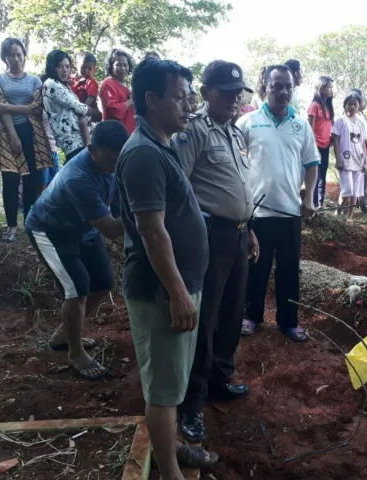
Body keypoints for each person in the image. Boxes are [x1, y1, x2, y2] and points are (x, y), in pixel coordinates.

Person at [116, 59, 219, 478]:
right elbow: (152, 234)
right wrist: (177, 292)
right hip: (161, 292)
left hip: (177, 285)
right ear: (152, 100)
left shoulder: (161, 145)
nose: (188, 104)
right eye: (179, 96)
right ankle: (171, 473)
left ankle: (171, 448)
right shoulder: (142, 153)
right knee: (163, 390)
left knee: (172, 383)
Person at [173, 60, 259, 443]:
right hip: (208, 237)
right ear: (205, 92)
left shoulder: (235, 133)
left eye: (238, 93)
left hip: (238, 236)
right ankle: (191, 402)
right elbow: (178, 191)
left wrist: (250, 229)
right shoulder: (193, 132)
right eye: (225, 92)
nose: (234, 99)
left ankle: (220, 378)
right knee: (204, 319)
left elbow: (240, 186)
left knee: (232, 311)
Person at [25, 120, 128, 379]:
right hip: (50, 230)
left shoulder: (115, 160)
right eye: (111, 158)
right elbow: (113, 230)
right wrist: (146, 213)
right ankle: (75, 352)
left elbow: (115, 201)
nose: (115, 165)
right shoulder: (78, 178)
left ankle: (62, 335)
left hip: (83, 227)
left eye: (119, 157)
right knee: (77, 289)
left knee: (103, 283)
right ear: (92, 149)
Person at [237, 64, 319, 342]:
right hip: (256, 213)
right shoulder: (247, 123)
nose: (283, 91)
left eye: (288, 87)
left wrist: (308, 198)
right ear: (265, 88)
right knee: (256, 267)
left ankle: (288, 321)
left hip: (289, 212)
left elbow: (311, 164)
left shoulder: (301, 125)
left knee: (288, 269)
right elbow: (234, 164)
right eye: (277, 86)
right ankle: (251, 316)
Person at [0, 37, 52, 243]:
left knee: (31, 179)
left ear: (24, 55)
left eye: (19, 54)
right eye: (11, 55)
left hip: (32, 134)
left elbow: (36, 109)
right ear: (4, 57)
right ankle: (11, 226)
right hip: (7, 133)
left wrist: (8, 106)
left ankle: (28, 222)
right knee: (10, 179)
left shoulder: (34, 80)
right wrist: (13, 134)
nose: (16, 58)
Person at [43, 50, 101, 161]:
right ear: (52, 67)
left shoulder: (64, 85)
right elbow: (78, 106)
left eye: (67, 66)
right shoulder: (51, 83)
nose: (65, 70)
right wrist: (98, 113)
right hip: (72, 141)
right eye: (60, 66)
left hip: (80, 139)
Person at [331, 91, 367, 223]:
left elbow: (363, 143)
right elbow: (335, 140)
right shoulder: (340, 121)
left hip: (359, 159)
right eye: (349, 104)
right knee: (348, 189)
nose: (352, 107)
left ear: (359, 106)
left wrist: (365, 162)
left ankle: (350, 217)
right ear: (345, 105)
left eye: (355, 104)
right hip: (345, 159)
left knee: (355, 191)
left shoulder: (361, 123)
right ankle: (338, 208)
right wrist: (338, 159)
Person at [308, 75, 334, 208]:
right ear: (321, 88)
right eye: (328, 87)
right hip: (316, 146)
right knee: (315, 176)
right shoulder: (314, 106)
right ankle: (313, 203)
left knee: (323, 175)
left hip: (326, 145)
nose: (331, 90)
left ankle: (320, 203)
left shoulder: (329, 106)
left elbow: (330, 126)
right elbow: (310, 128)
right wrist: (315, 147)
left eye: (331, 87)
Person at [100, 49, 135, 135]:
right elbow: (114, 110)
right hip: (115, 134)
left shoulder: (125, 85)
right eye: (118, 65)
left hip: (129, 133)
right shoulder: (108, 84)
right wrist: (132, 100)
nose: (123, 68)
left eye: (125, 65)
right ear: (111, 66)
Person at [70, 51, 102, 144]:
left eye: (89, 68)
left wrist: (80, 110)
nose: (86, 70)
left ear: (94, 70)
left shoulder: (91, 82)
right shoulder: (70, 79)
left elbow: (90, 100)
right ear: (76, 64)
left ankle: (87, 145)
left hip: (87, 111)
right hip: (73, 108)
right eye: (83, 67)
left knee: (82, 121)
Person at [352, 88, 367, 213]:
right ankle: (345, 208)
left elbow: (365, 134)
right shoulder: (353, 116)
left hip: (365, 151)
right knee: (353, 179)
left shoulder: (362, 115)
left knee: (364, 179)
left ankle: (363, 205)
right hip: (356, 152)